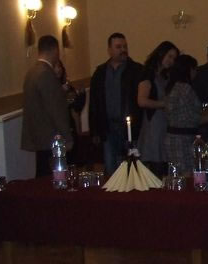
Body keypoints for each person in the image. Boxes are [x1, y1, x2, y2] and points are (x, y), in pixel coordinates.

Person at [88, 32, 144, 174]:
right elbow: (94, 102)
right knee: (110, 167)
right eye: (118, 47)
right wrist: (94, 130)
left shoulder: (136, 70)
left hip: (129, 127)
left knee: (131, 168)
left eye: (125, 46)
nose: (123, 50)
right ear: (109, 50)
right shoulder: (100, 72)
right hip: (108, 127)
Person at [21, 35, 73, 177]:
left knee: (42, 175)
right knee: (54, 177)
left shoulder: (31, 73)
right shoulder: (46, 74)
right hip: (50, 138)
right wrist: (67, 137)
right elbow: (55, 109)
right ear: (55, 50)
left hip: (37, 135)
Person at [137, 41, 179, 176]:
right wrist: (164, 104)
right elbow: (142, 101)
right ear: (161, 54)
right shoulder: (148, 74)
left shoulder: (165, 76)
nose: (171, 61)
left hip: (164, 124)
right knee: (155, 165)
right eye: (169, 56)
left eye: (174, 58)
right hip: (153, 126)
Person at [163, 54, 201, 175]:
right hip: (184, 138)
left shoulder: (171, 87)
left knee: (175, 173)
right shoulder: (186, 89)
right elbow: (192, 116)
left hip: (172, 137)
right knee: (187, 174)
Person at [54, 60, 86, 163]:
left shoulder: (68, 87)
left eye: (60, 67)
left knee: (73, 159)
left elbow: (76, 107)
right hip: (58, 130)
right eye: (55, 67)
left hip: (71, 126)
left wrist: (82, 95)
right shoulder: (51, 88)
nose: (58, 70)